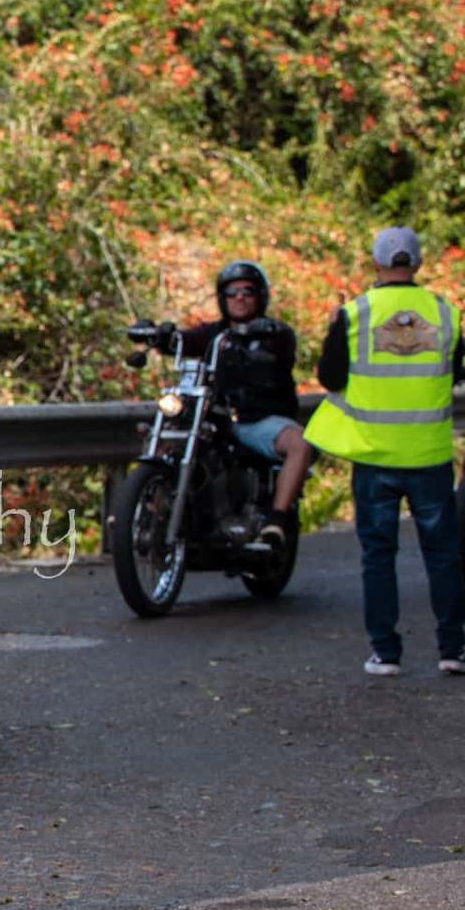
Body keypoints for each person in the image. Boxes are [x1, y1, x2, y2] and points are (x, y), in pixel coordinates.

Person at [302, 227, 465, 677]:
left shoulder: (355, 314)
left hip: (374, 455)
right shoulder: (446, 314)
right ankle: (453, 648)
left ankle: (386, 653)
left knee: (378, 556)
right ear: (417, 264)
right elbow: (454, 375)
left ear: (375, 264)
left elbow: (330, 378)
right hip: (428, 455)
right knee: (443, 555)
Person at [152, 260, 313, 548]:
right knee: (166, 427)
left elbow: (283, 350)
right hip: (217, 418)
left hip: (257, 420)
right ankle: (151, 506)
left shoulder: (275, 334)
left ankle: (275, 519)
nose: (239, 298)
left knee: (299, 442)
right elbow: (185, 340)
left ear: (259, 296)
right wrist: (159, 336)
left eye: (247, 291)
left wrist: (257, 344)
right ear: (222, 298)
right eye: (232, 292)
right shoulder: (215, 334)